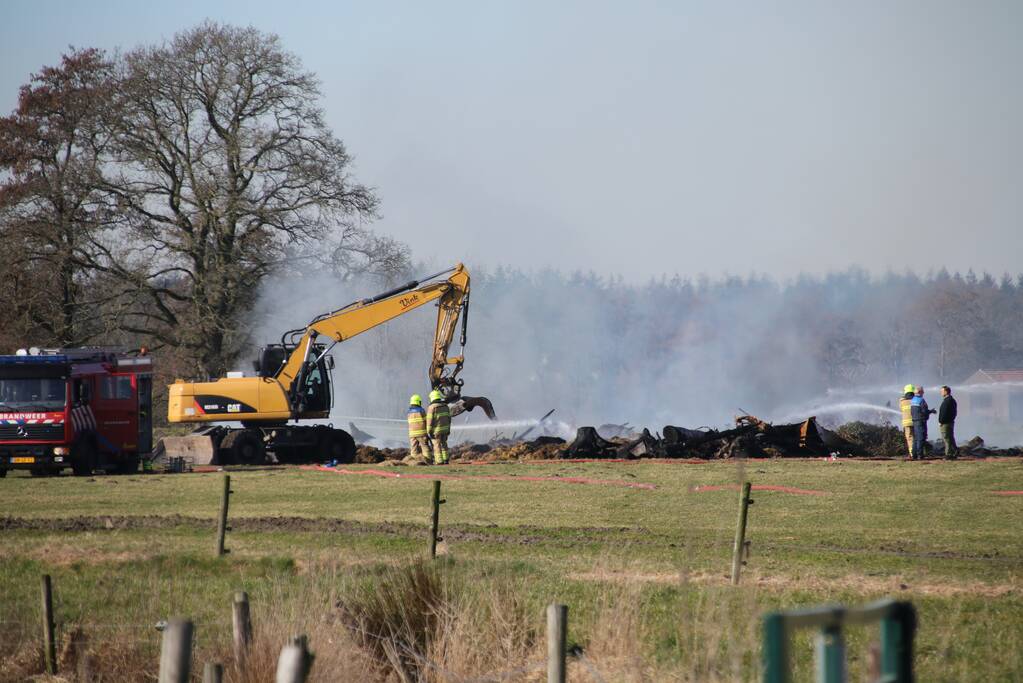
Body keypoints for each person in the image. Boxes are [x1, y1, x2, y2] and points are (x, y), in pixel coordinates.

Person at [426, 389, 451, 465]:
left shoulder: (432, 407)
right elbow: (449, 419)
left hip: (436, 431)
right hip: (445, 429)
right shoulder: (445, 406)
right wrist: (448, 429)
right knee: (444, 444)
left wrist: (428, 431)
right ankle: (446, 459)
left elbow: (429, 421)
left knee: (436, 445)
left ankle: (439, 461)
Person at [404, 394, 431, 465]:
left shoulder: (408, 412)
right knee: (425, 447)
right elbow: (426, 421)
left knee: (414, 449)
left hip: (412, 434)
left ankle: (414, 462)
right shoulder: (421, 410)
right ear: (418, 402)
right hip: (421, 433)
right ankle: (428, 461)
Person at [939, 385, 958, 460]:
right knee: (951, 438)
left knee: (946, 438)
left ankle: (948, 454)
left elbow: (944, 413)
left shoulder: (947, 401)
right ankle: (955, 452)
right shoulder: (952, 400)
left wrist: (941, 421)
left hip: (945, 423)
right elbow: (954, 413)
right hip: (950, 422)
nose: (941, 392)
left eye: (942, 391)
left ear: (946, 392)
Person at [899, 384, 915, 458]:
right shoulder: (915, 400)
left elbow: (901, 409)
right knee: (916, 437)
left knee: (910, 438)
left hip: (907, 423)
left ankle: (912, 454)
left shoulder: (902, 401)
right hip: (915, 422)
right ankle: (918, 452)